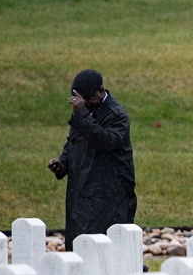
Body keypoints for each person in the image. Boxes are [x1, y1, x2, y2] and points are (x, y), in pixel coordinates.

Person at [48, 69, 137, 251]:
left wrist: (82, 115)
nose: (84, 105)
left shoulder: (117, 115)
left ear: (100, 91)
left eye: (87, 100)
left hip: (109, 196)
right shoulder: (84, 111)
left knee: (104, 250)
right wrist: (63, 162)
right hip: (81, 192)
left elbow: (104, 141)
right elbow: (73, 142)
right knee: (78, 248)